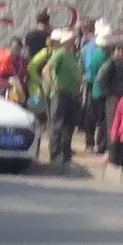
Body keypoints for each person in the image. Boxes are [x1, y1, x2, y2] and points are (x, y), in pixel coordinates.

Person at [45, 30, 84, 166]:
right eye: (73, 39)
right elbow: (46, 70)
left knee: (69, 125)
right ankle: (55, 153)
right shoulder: (60, 53)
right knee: (57, 124)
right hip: (60, 94)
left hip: (72, 93)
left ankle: (66, 153)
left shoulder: (73, 55)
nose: (75, 41)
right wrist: (53, 86)